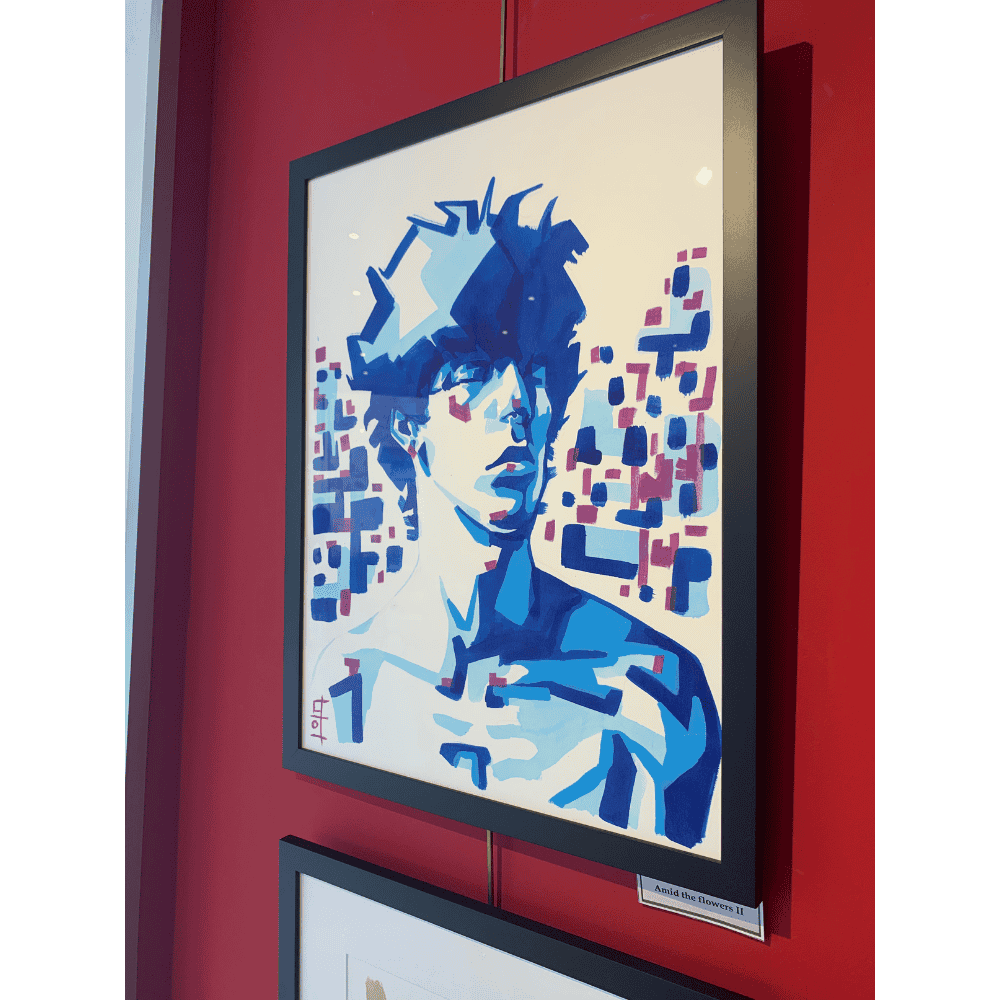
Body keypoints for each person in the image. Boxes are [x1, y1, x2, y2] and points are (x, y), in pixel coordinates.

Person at [312, 180, 720, 850]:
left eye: (534, 372)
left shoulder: (654, 691)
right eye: (473, 374)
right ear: (409, 424)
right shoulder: (349, 683)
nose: (518, 408)